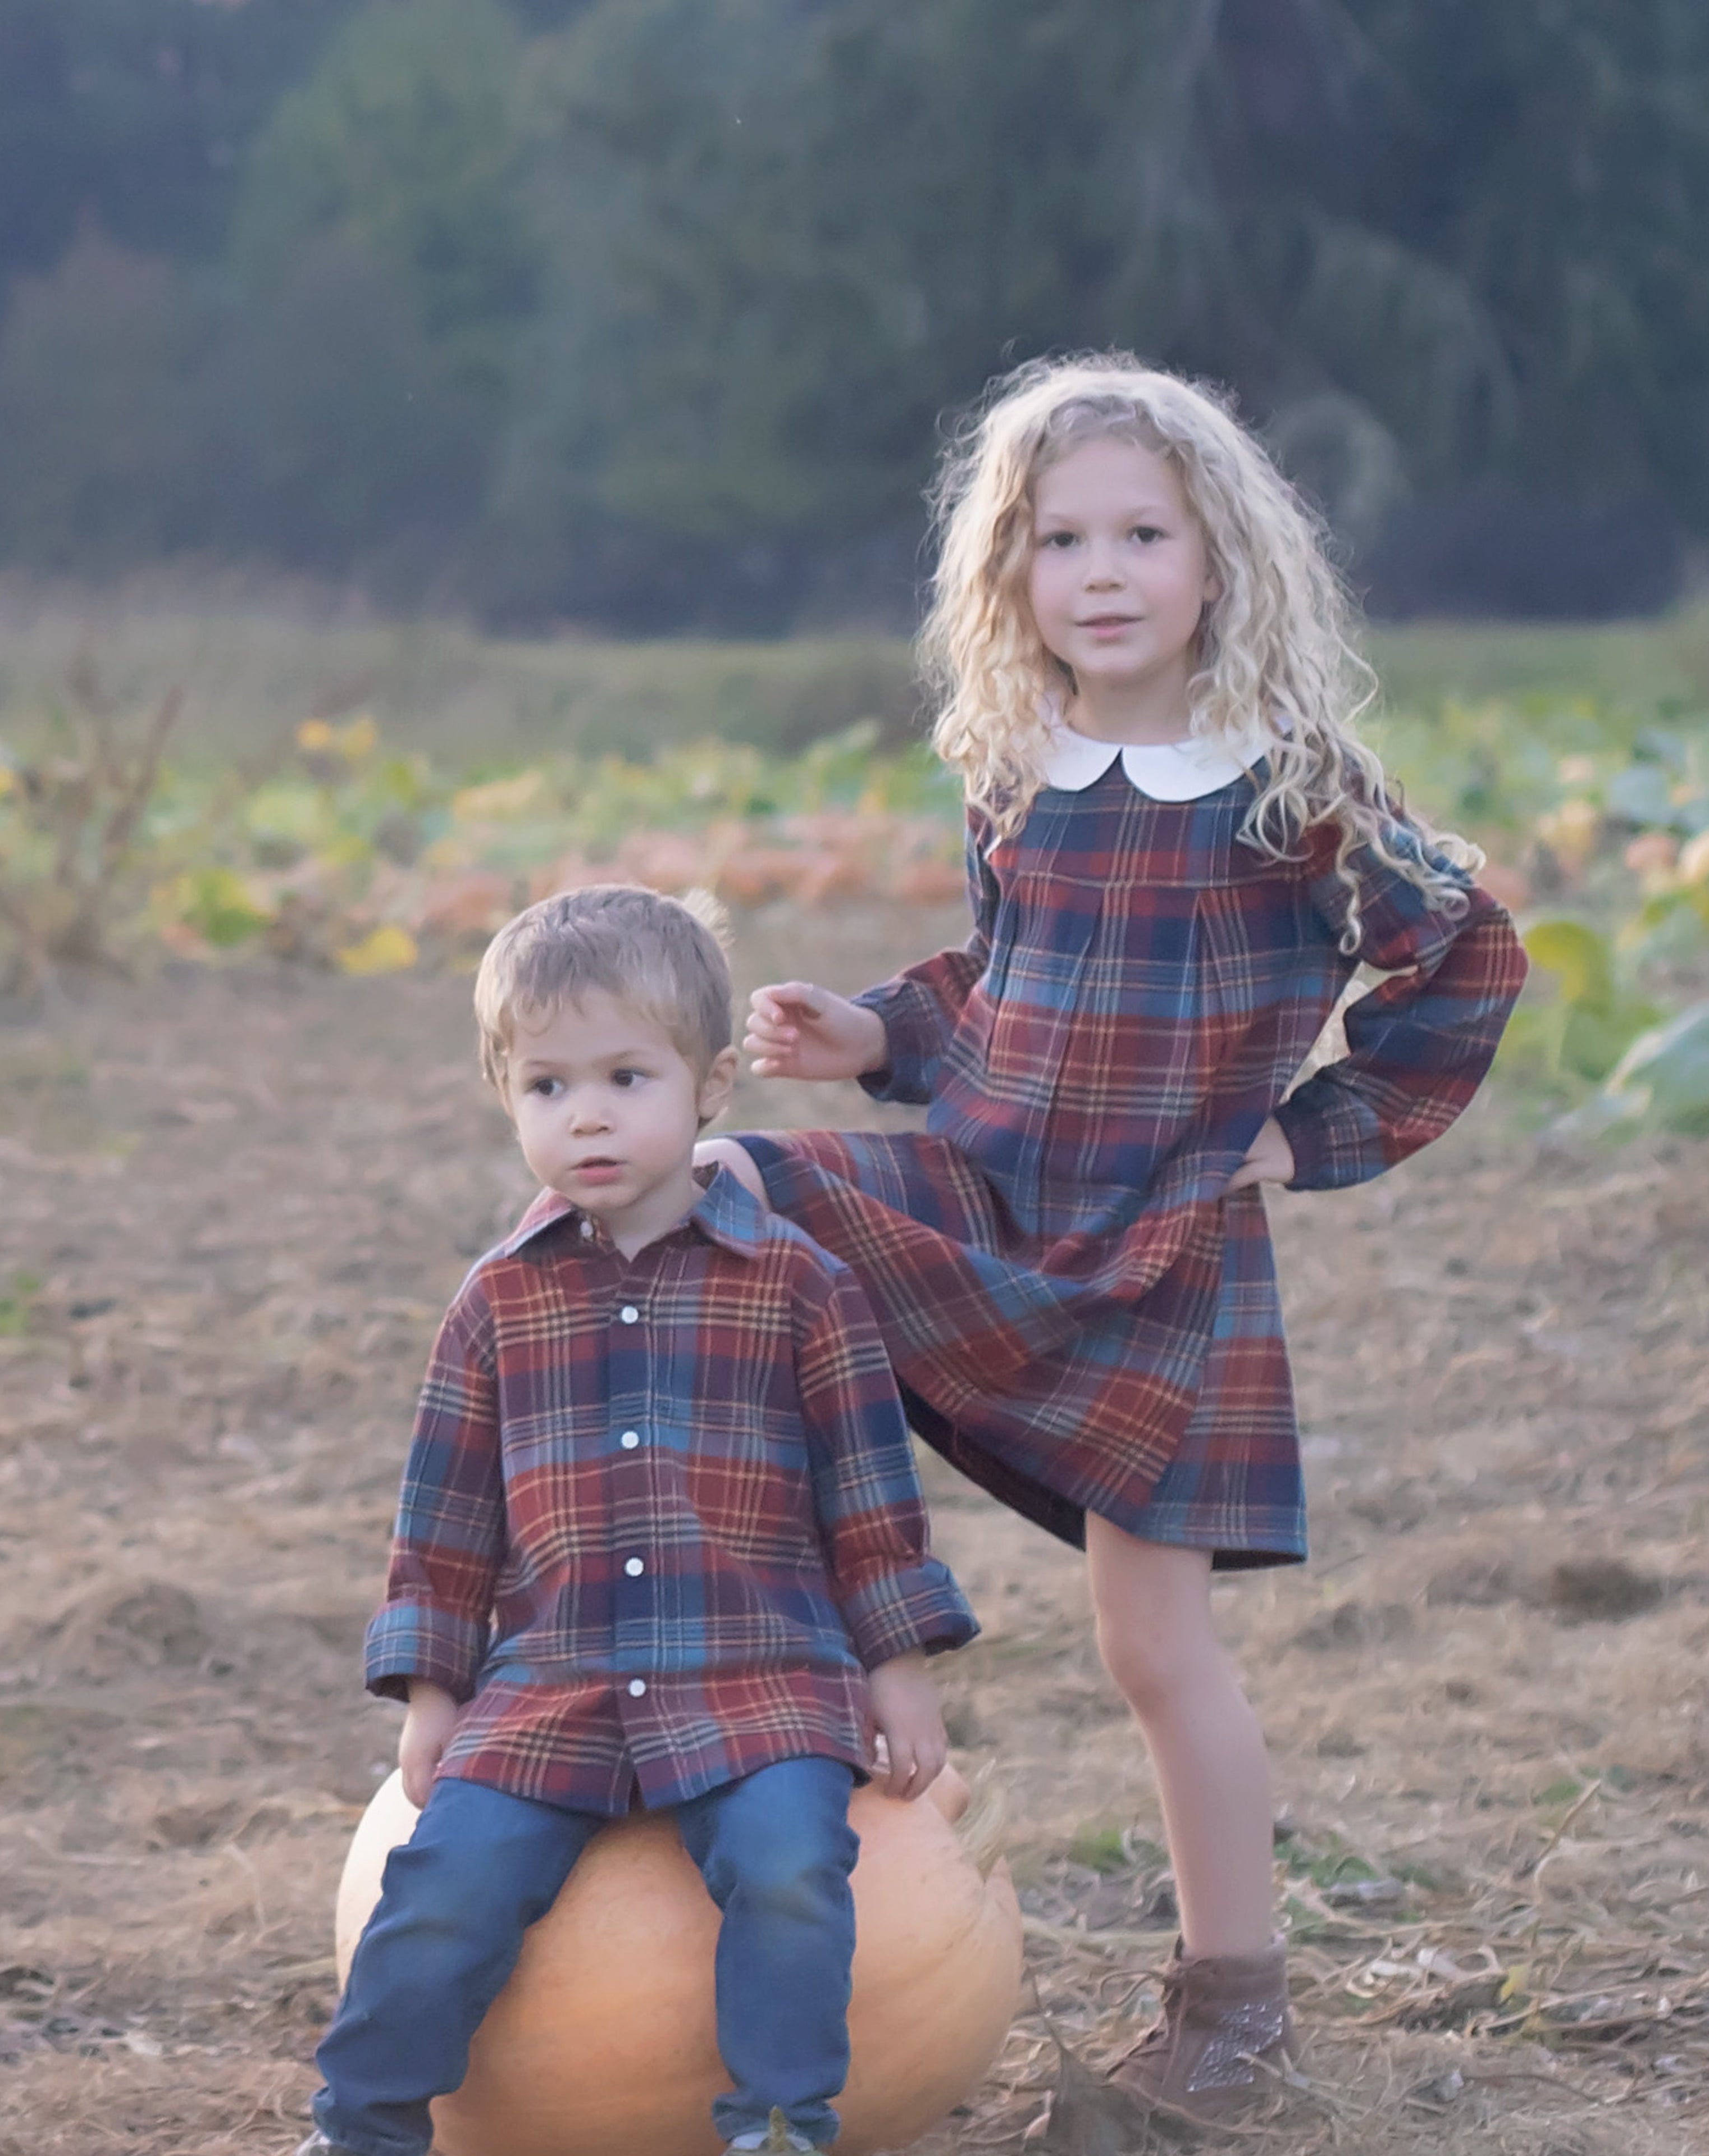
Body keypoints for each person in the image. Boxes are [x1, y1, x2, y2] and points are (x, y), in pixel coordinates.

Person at [701, 355, 1526, 2125]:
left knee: (1155, 1652)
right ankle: (776, 1598)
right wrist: (868, 1037)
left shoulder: (1294, 786)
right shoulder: (1015, 771)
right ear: (1011, 579)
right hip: (992, 1198)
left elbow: (1467, 961)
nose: (1102, 570)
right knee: (732, 1193)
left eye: (1142, 532)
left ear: (1218, 558)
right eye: (1060, 538)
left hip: (1160, 1258)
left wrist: (1310, 1139)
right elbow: (1004, 996)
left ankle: (1238, 2015)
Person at [297, 884, 977, 2156]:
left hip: (758, 1673)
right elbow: (442, 1520)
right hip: (552, 1682)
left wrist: (898, 1670)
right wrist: (434, 1695)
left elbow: (870, 1498)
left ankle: (777, 2124)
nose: (589, 1114)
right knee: (442, 1887)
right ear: (507, 1099)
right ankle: (363, 2127)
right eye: (548, 1088)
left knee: (791, 1871)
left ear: (711, 1084)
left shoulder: (799, 1287)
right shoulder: (496, 1305)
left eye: (625, 1075)